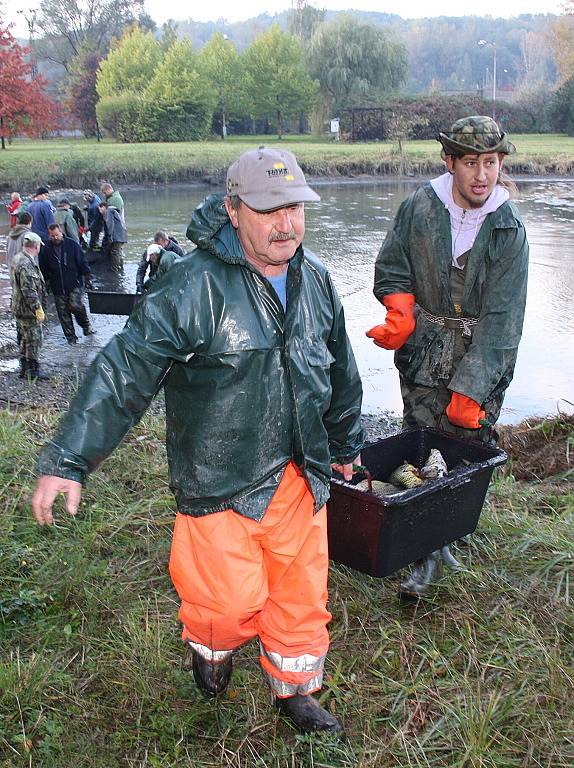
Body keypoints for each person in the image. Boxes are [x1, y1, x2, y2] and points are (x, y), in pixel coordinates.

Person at [32, 147, 364, 735]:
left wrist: (343, 444)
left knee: (301, 595)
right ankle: (211, 648)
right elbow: (125, 368)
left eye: (295, 207)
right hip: (220, 478)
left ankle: (295, 688)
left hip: (301, 476)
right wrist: (68, 458)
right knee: (226, 603)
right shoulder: (191, 284)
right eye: (269, 209)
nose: (286, 224)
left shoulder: (317, 280)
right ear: (235, 211)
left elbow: (337, 372)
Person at [366, 115, 529, 597]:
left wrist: (472, 388)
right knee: (420, 441)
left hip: (483, 351)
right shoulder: (419, 207)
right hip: (424, 351)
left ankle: (443, 539)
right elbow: (392, 264)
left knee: (463, 451)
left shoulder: (509, 231)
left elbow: (504, 322)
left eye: (492, 164)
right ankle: (423, 551)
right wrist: (399, 310)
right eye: (472, 163)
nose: (483, 175)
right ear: (449, 162)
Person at [39, 223, 95, 344]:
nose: (55, 238)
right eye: (52, 236)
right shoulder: (46, 249)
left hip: (75, 283)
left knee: (75, 305)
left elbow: (82, 261)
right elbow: (43, 268)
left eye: (57, 235)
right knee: (63, 313)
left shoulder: (72, 245)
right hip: (57, 286)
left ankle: (86, 325)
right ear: (49, 235)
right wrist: (46, 283)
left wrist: (87, 275)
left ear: (61, 233)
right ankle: (71, 338)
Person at [10, 231, 49, 381]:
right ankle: (32, 370)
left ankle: (24, 368)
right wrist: (38, 308)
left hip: (19, 306)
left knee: (25, 338)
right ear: (36, 246)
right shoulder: (26, 264)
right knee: (34, 339)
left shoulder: (18, 258)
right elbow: (28, 289)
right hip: (27, 309)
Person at [98, 201, 127, 271]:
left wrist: (110, 237)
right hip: (122, 234)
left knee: (114, 252)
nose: (99, 211)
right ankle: (120, 266)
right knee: (118, 251)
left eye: (100, 209)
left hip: (117, 236)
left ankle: (114, 269)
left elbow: (110, 225)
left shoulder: (108, 211)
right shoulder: (112, 210)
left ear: (104, 207)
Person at [6, 211, 33, 277]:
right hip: (24, 272)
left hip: (12, 269)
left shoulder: (10, 235)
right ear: (30, 222)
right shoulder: (28, 235)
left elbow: (7, 252)